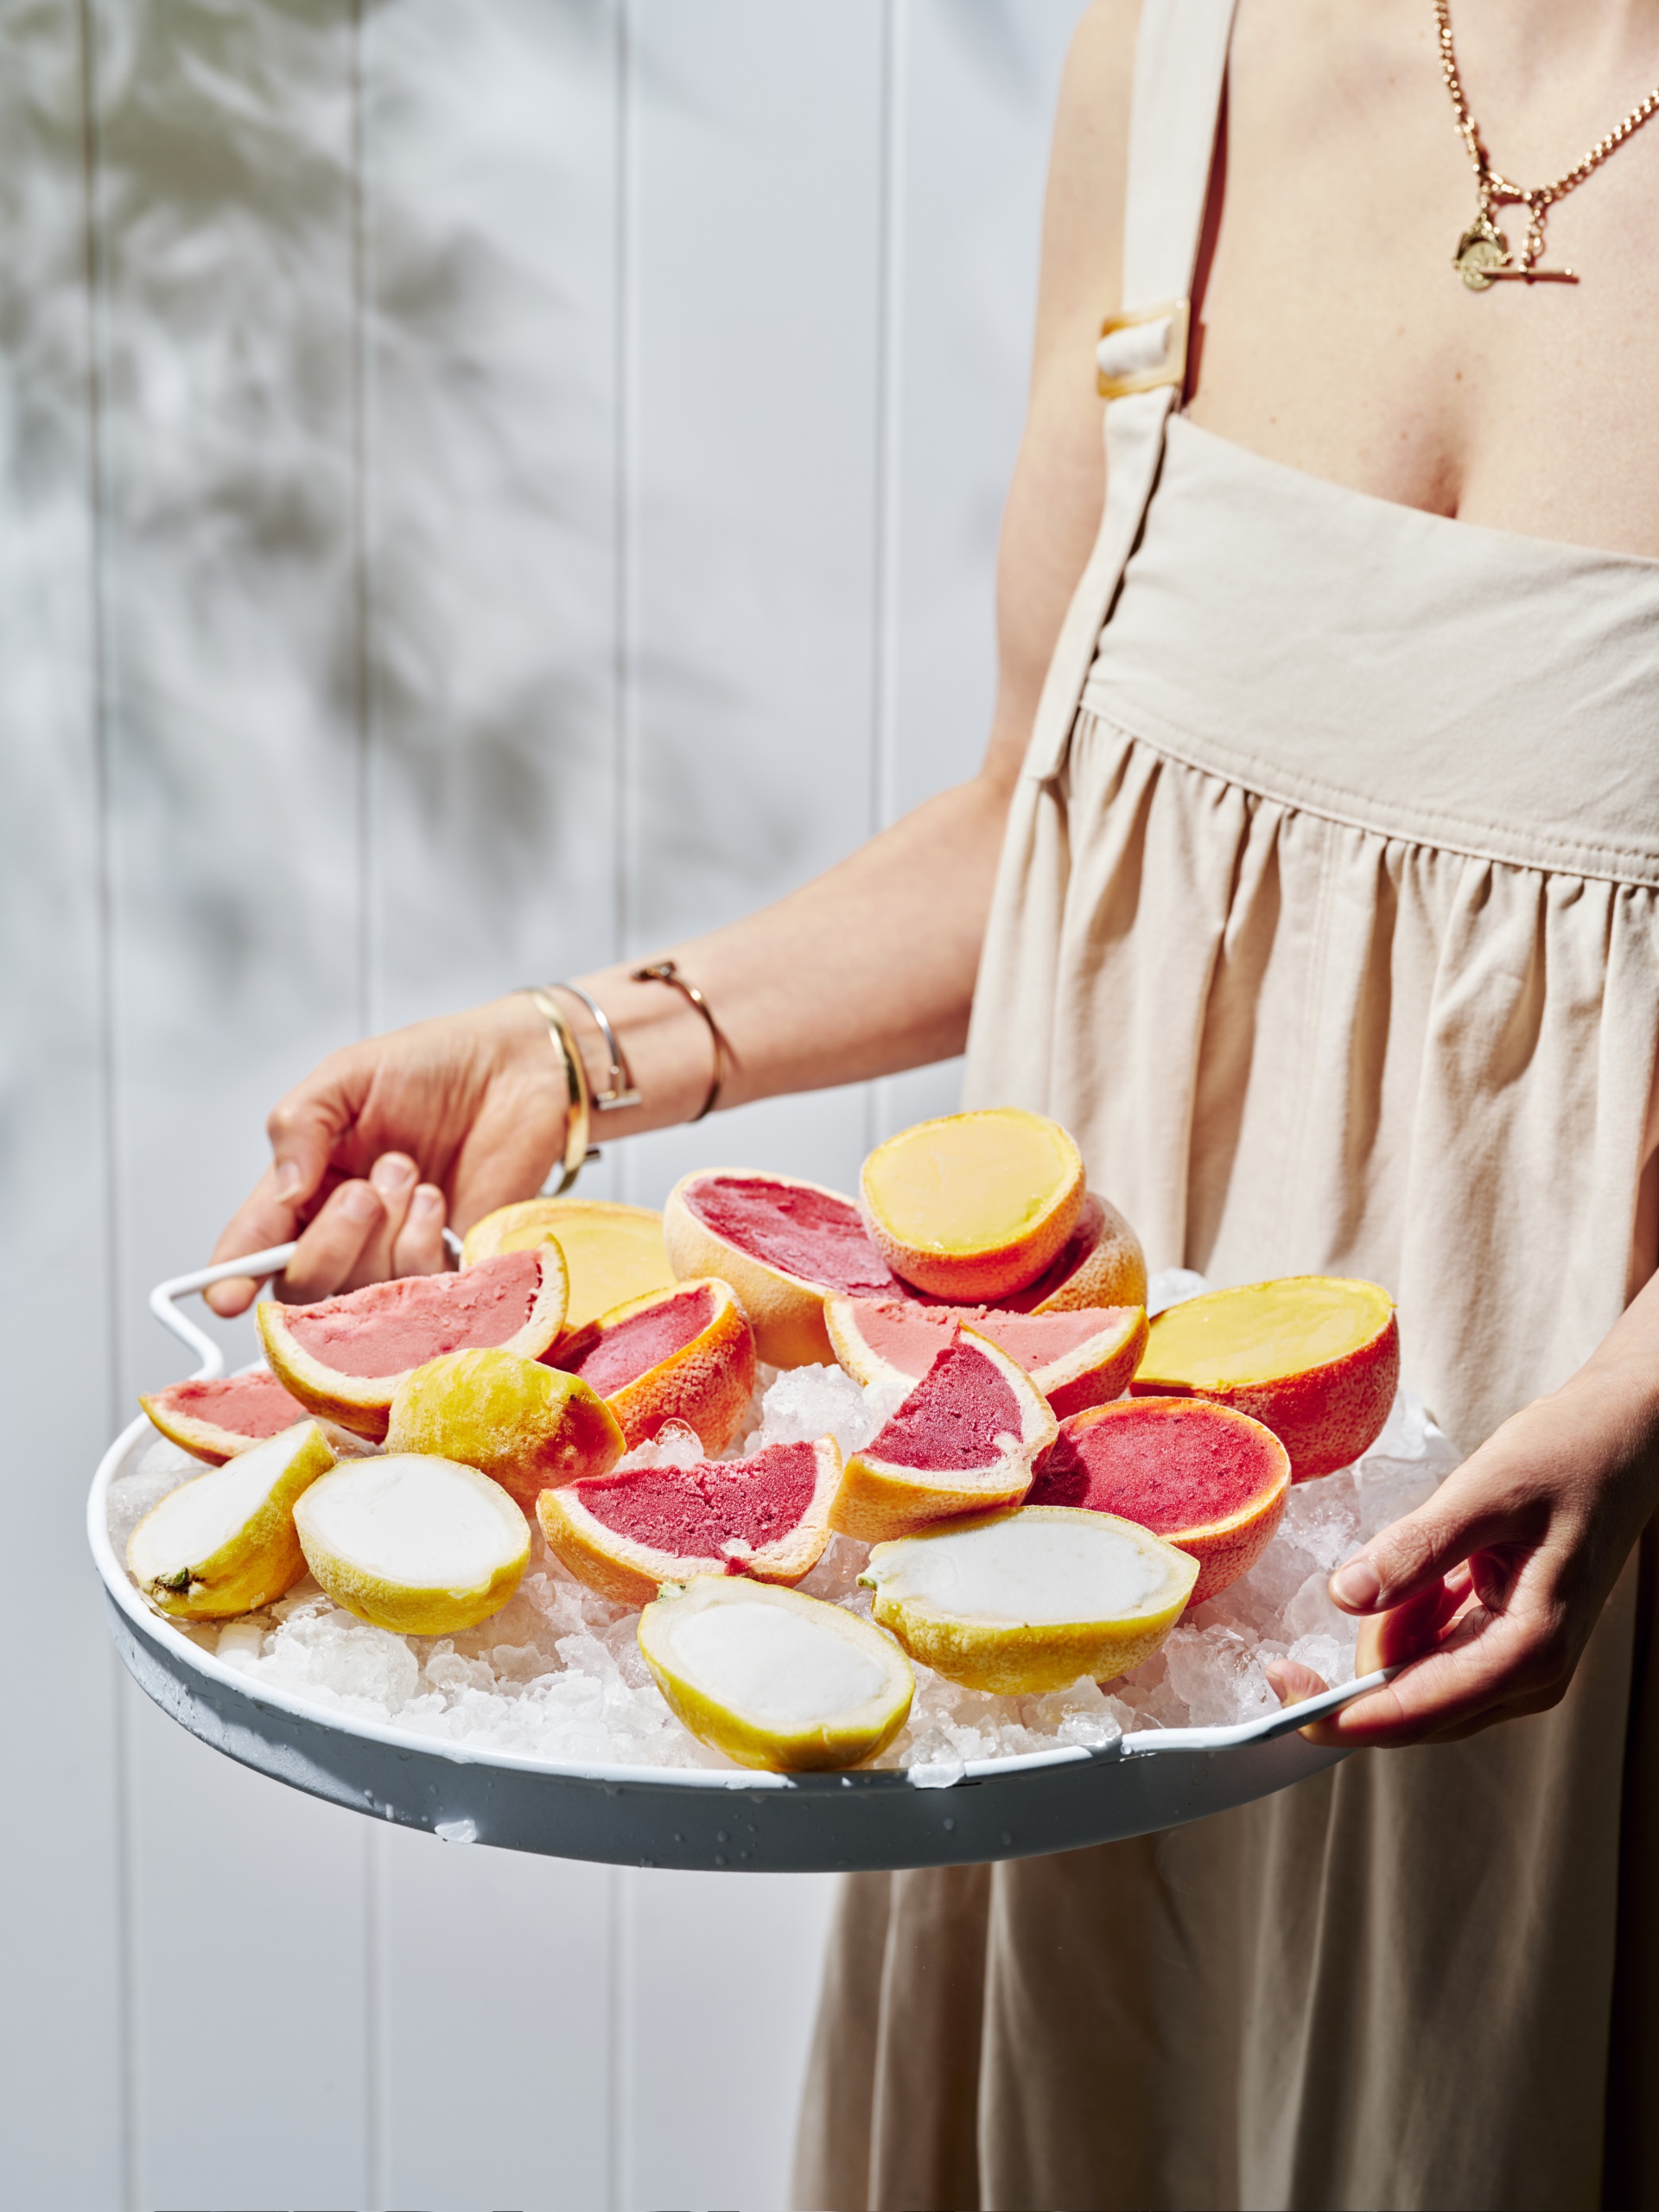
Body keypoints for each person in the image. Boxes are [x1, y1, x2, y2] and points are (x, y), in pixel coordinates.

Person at [209, 1, 1659, 2202]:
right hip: (1075, 1607)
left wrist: (1638, 1396)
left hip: (1557, 1602)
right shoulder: (1177, 60)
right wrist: (568, 1046)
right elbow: (1046, 828)